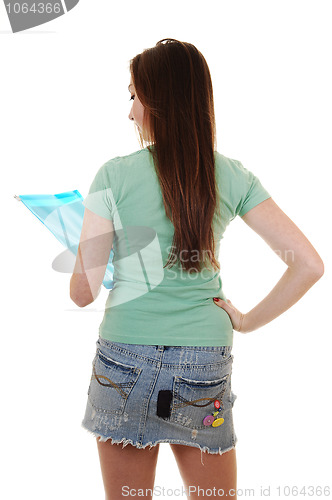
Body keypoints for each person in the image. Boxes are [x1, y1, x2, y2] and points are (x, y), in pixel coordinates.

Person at [70, 39, 324, 500]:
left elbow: (81, 293)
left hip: (124, 355)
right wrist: (245, 321)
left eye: (134, 96)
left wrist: (87, 252)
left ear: (158, 99)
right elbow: (307, 264)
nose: (130, 113)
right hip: (203, 356)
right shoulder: (234, 176)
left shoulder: (113, 174)